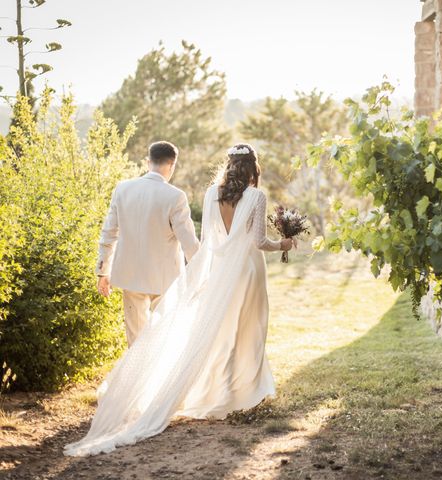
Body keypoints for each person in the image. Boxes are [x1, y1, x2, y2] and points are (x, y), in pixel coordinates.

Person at [64, 143, 293, 456]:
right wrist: (285, 243)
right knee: (246, 331)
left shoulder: (207, 193)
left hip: (184, 273)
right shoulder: (244, 196)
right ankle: (237, 392)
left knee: (190, 335)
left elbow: (207, 242)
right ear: (254, 168)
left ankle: (165, 392)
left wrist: (202, 274)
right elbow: (245, 242)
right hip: (226, 274)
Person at [96, 141, 199, 346]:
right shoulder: (176, 196)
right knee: (166, 338)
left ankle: (136, 377)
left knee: (135, 340)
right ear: (172, 165)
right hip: (164, 279)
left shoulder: (122, 189)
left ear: (147, 162)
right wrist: (201, 273)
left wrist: (103, 271)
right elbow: (189, 243)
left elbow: (109, 233)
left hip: (130, 275)